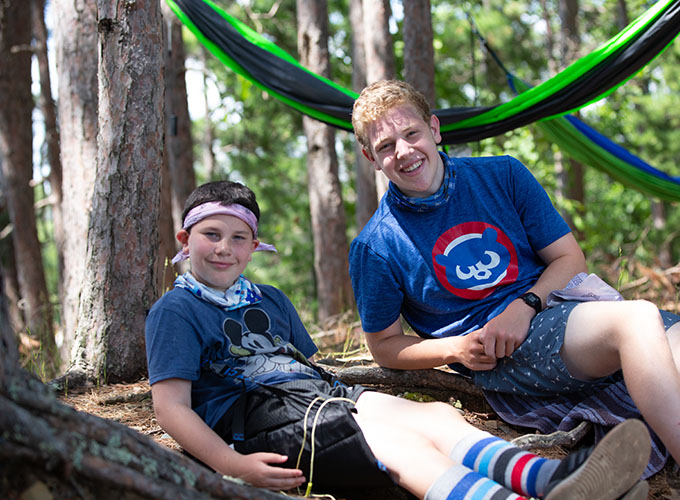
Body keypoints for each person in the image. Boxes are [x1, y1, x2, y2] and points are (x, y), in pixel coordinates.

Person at [146, 180, 651, 500]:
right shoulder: (177, 310)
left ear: (254, 247)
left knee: (435, 416)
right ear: (185, 241)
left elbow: (305, 368)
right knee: (390, 441)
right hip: (252, 419)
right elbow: (172, 408)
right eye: (211, 234)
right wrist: (231, 465)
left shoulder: (270, 298)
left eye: (238, 239)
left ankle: (550, 481)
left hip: (317, 397)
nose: (224, 249)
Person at [348, 79, 680, 468]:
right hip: (506, 353)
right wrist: (455, 348)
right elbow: (384, 345)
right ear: (371, 158)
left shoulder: (502, 175)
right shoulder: (376, 245)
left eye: (411, 133)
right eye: (386, 146)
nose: (404, 151)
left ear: (435, 130)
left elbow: (570, 260)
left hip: (561, 307)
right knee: (638, 319)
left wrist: (525, 305)